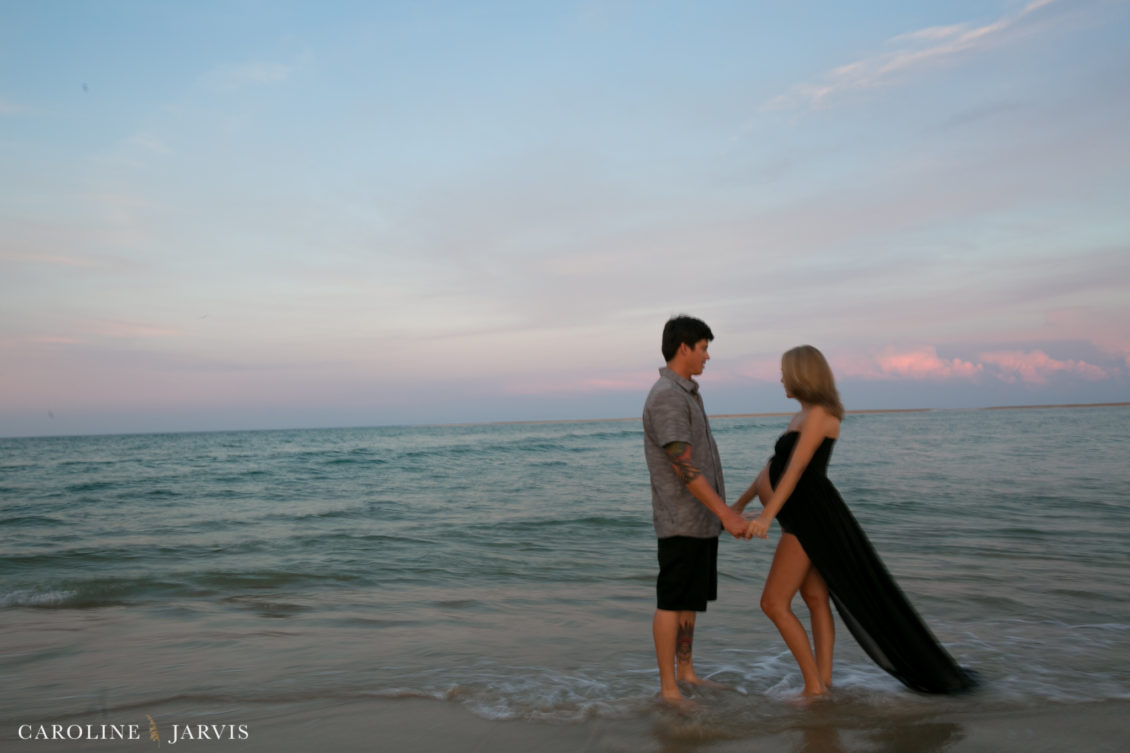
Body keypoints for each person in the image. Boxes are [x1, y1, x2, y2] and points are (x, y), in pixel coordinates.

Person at [733, 345, 975, 696]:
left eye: (785, 371)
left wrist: (768, 516)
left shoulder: (820, 414)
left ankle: (814, 688)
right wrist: (740, 505)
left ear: (803, 374)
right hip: (799, 516)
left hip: (810, 519)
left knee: (773, 603)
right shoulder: (801, 416)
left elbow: (798, 468)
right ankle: (824, 682)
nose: (781, 378)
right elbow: (773, 468)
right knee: (815, 600)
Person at [642, 315, 749, 705]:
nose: (708, 355)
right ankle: (669, 689)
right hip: (681, 521)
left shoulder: (687, 393)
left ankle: (686, 672)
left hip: (699, 521)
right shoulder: (667, 396)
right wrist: (728, 513)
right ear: (683, 347)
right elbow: (684, 467)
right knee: (671, 601)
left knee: (689, 601)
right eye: (704, 347)